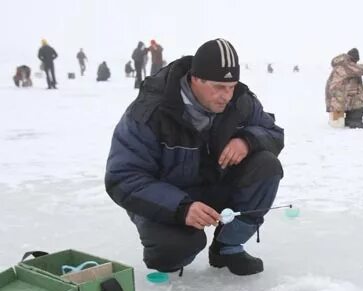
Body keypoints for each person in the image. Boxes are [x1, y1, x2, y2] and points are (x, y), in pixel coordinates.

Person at [105, 38, 284, 276]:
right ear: (195, 79)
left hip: (214, 185)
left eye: (231, 86)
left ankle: (227, 247)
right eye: (218, 86)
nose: (226, 96)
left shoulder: (240, 101)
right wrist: (181, 208)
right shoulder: (150, 112)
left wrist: (247, 140)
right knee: (172, 253)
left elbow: (274, 133)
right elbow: (122, 177)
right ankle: (176, 246)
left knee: (266, 165)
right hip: (168, 197)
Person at [325, 48, 363, 129]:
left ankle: (348, 119)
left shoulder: (341, 64)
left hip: (336, 100)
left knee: (337, 123)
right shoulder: (346, 65)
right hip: (339, 99)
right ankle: (354, 121)